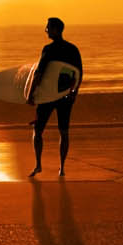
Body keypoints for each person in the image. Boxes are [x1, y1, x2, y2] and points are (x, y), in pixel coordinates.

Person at [29, 16, 82, 177]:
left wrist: (31, 94)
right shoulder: (73, 49)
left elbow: (39, 74)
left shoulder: (48, 49)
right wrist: (74, 93)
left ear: (55, 30)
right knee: (64, 131)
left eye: (48, 28)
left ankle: (38, 165)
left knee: (38, 131)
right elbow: (78, 74)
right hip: (65, 94)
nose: (46, 31)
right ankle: (62, 168)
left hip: (48, 96)